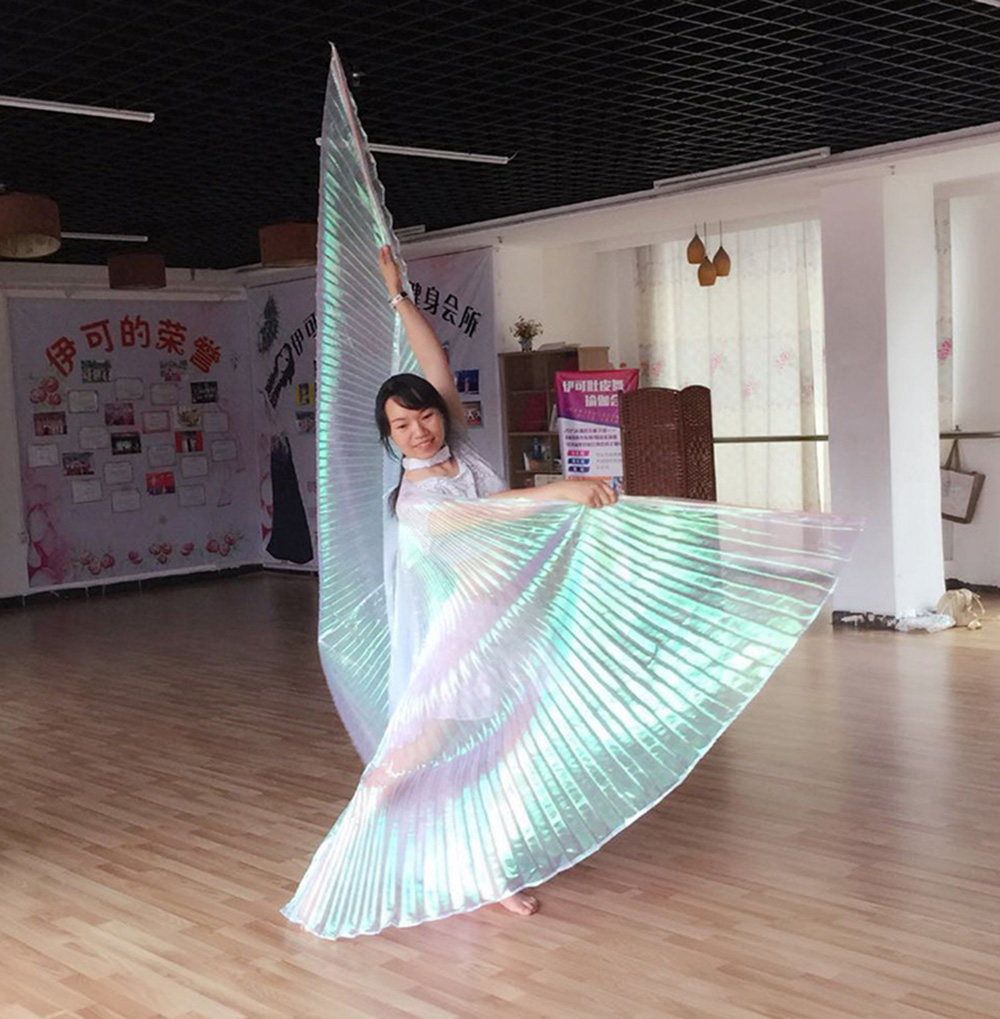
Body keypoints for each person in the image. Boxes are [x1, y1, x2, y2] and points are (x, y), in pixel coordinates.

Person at [373, 245, 615, 917]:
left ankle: (492, 864)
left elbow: (435, 364)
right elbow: (491, 511)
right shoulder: (416, 503)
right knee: (432, 745)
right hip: (469, 636)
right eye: (402, 425)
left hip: (515, 625)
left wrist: (398, 295)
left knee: (514, 751)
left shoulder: (457, 446)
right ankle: (370, 816)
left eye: (424, 416)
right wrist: (560, 488)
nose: (419, 430)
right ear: (388, 436)